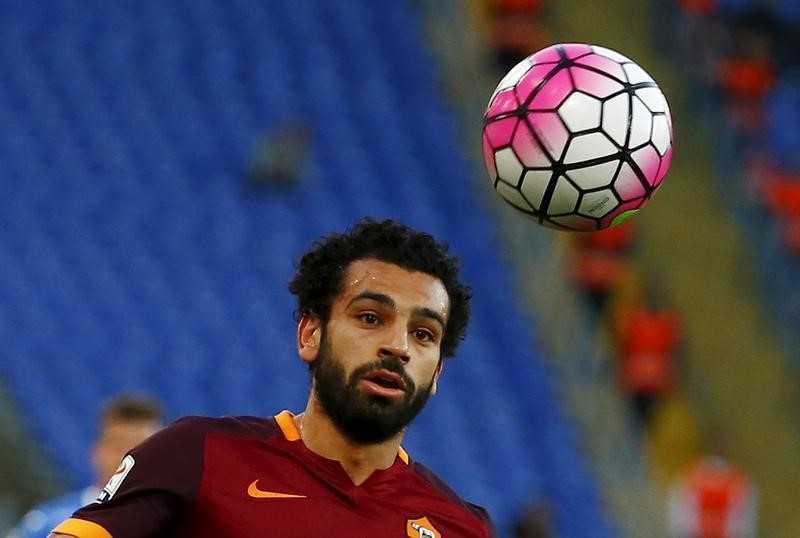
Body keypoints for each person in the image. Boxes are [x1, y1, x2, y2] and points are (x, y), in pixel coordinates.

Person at [49, 218, 497, 538]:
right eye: (370, 317)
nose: (398, 346)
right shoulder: (198, 455)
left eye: (423, 334)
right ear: (310, 334)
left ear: (437, 371)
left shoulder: (460, 526)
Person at [8, 394, 163, 538]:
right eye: (120, 446)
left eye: (144, 448)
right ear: (98, 451)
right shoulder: (51, 522)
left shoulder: (177, 522)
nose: (131, 456)